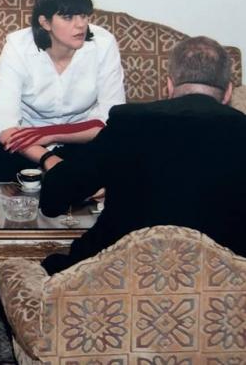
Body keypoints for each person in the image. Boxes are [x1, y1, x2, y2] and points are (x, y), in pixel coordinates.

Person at [39, 36, 246, 274]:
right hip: (225, 280)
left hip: (119, 275)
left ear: (169, 85)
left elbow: (55, 195)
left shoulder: (130, 122)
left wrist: (47, 159)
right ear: (228, 91)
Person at [0, 0, 126, 181]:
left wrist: (51, 133)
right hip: (27, 144)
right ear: (45, 22)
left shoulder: (103, 44)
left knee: (121, 154)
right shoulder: (18, 47)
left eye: (83, 15)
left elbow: (113, 119)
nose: (81, 24)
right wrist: (48, 159)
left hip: (81, 138)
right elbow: (5, 127)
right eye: (68, 17)